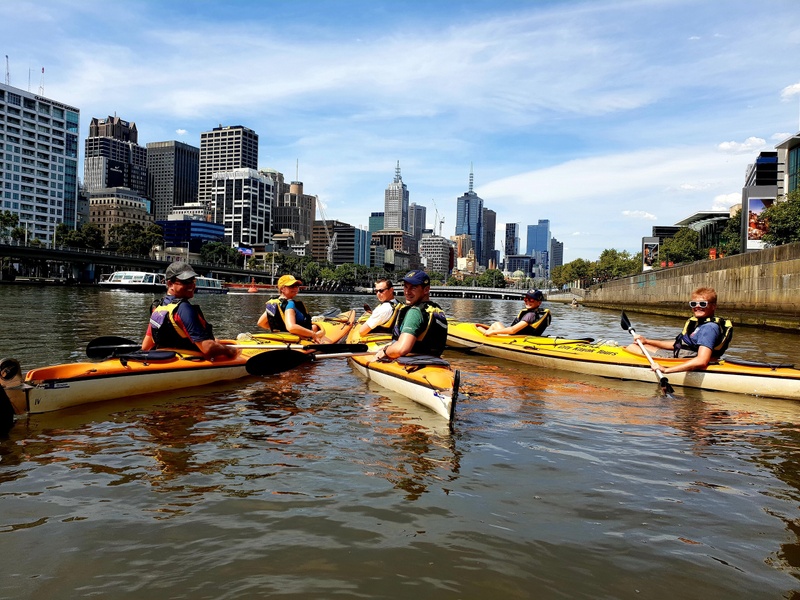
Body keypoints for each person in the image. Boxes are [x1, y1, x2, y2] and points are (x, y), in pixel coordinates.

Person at [142, 262, 239, 360]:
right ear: (170, 284)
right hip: (191, 361)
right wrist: (230, 351)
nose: (192, 285)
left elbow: (146, 346)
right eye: (186, 281)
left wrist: (215, 342)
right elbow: (208, 348)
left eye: (193, 281)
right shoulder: (184, 309)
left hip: (168, 359)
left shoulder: (158, 307)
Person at [626, 286, 733, 374]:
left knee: (631, 347)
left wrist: (666, 370)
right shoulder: (699, 324)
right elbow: (678, 344)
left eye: (703, 304)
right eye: (694, 304)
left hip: (683, 361)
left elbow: (701, 361)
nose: (697, 307)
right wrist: (647, 341)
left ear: (713, 306)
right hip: (680, 356)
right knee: (641, 345)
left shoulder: (709, 328)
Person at [374, 270, 448, 361]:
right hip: (434, 360)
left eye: (413, 288)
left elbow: (402, 349)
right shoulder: (436, 309)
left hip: (412, 364)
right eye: (405, 287)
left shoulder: (415, 312)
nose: (407, 292)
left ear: (426, 289)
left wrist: (385, 351)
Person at [258, 274, 326, 343]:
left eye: (296, 286)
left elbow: (261, 323)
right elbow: (291, 327)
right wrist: (312, 334)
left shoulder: (273, 304)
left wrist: (281, 329)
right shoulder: (290, 304)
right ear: (282, 289)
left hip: (281, 337)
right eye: (291, 286)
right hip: (296, 339)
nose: (295, 289)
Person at [477, 289, 551, 337]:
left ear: (539, 303)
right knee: (496, 324)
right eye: (526, 299)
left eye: (531, 300)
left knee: (485, 327)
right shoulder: (535, 313)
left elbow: (512, 330)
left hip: (514, 338)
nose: (527, 302)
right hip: (520, 337)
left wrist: (492, 332)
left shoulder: (530, 315)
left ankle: (483, 336)